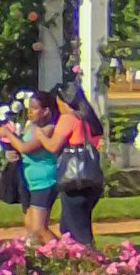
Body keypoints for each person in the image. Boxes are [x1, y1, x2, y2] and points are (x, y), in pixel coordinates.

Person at [53, 82, 107, 252]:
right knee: (71, 226)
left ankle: (92, 264)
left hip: (74, 180)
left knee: (78, 231)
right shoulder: (88, 119)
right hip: (90, 179)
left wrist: (38, 134)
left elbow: (53, 146)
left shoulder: (69, 119)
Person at [13, 88, 66, 242]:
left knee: (39, 228)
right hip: (30, 181)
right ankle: (40, 259)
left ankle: (67, 254)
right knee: (30, 227)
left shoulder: (48, 130)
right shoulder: (31, 127)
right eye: (30, 108)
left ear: (46, 111)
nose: (30, 112)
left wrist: (8, 134)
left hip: (44, 182)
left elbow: (25, 148)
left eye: (35, 108)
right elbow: (22, 148)